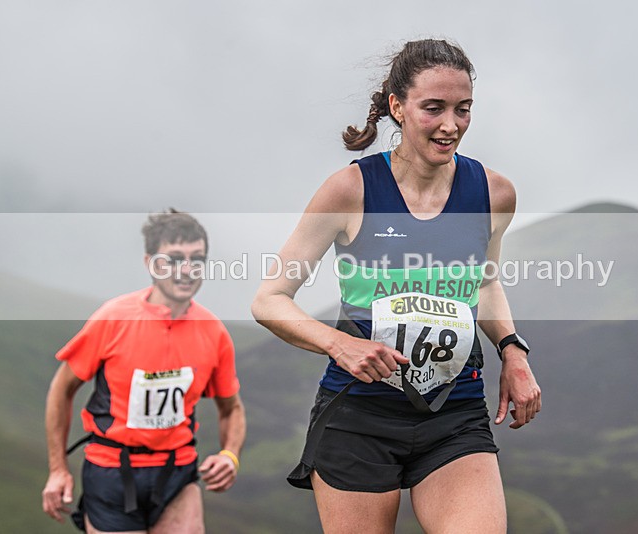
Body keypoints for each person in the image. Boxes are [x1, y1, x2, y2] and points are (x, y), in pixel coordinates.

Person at [251, 39, 541, 533]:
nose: (451, 125)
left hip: (455, 411)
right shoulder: (351, 189)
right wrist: (340, 344)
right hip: (359, 413)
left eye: (463, 109)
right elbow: (269, 299)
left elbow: (485, 284)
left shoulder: (493, 193)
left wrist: (513, 352)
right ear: (397, 107)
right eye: (434, 108)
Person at [42, 209, 246, 533]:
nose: (187, 269)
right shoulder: (113, 318)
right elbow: (62, 389)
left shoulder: (213, 331)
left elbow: (231, 407)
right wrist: (57, 469)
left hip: (177, 471)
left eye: (197, 258)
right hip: (111, 472)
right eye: (174, 258)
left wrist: (229, 455)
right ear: (150, 262)